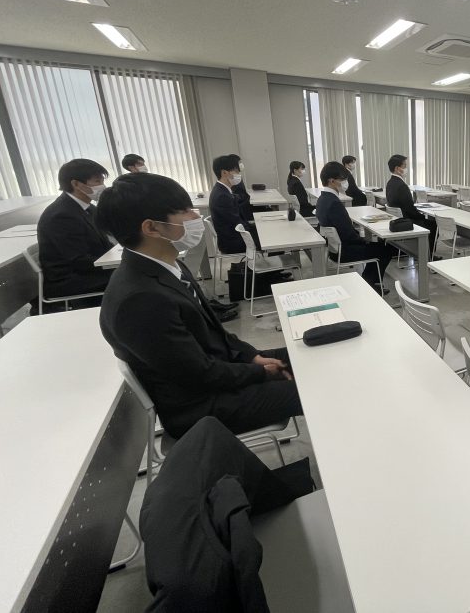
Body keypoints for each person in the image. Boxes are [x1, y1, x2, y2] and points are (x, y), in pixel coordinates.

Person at [96, 172, 303, 438]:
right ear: (151, 228)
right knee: (313, 387)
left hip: (218, 371)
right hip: (200, 406)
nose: (195, 217)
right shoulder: (139, 299)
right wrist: (258, 372)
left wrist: (251, 356)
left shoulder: (168, 263)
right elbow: (198, 375)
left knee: (307, 351)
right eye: (183, 212)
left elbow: (216, 334)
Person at [36, 159, 114, 307]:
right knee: (135, 278)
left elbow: (105, 243)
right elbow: (79, 260)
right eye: (97, 181)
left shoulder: (88, 208)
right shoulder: (61, 215)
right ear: (76, 184)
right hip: (71, 279)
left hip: (89, 270)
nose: (102, 186)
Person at [316, 161, 396, 294]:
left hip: (335, 250)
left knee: (378, 245)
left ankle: (369, 280)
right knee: (387, 249)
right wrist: (364, 240)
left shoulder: (323, 199)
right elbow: (348, 235)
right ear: (332, 181)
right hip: (346, 251)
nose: (345, 182)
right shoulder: (334, 203)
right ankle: (370, 284)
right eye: (342, 179)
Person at [385, 154, 437, 251]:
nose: (406, 168)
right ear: (397, 168)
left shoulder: (390, 183)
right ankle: (429, 257)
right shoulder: (402, 186)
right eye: (404, 166)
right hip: (408, 221)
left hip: (399, 220)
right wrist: (422, 216)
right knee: (433, 225)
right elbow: (410, 210)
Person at [209, 154, 256, 254]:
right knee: (272, 237)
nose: (239, 174)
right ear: (224, 172)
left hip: (233, 235)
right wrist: (255, 228)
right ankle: (269, 269)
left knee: (264, 230)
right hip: (233, 242)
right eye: (236, 171)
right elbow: (237, 223)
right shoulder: (222, 196)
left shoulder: (222, 190)